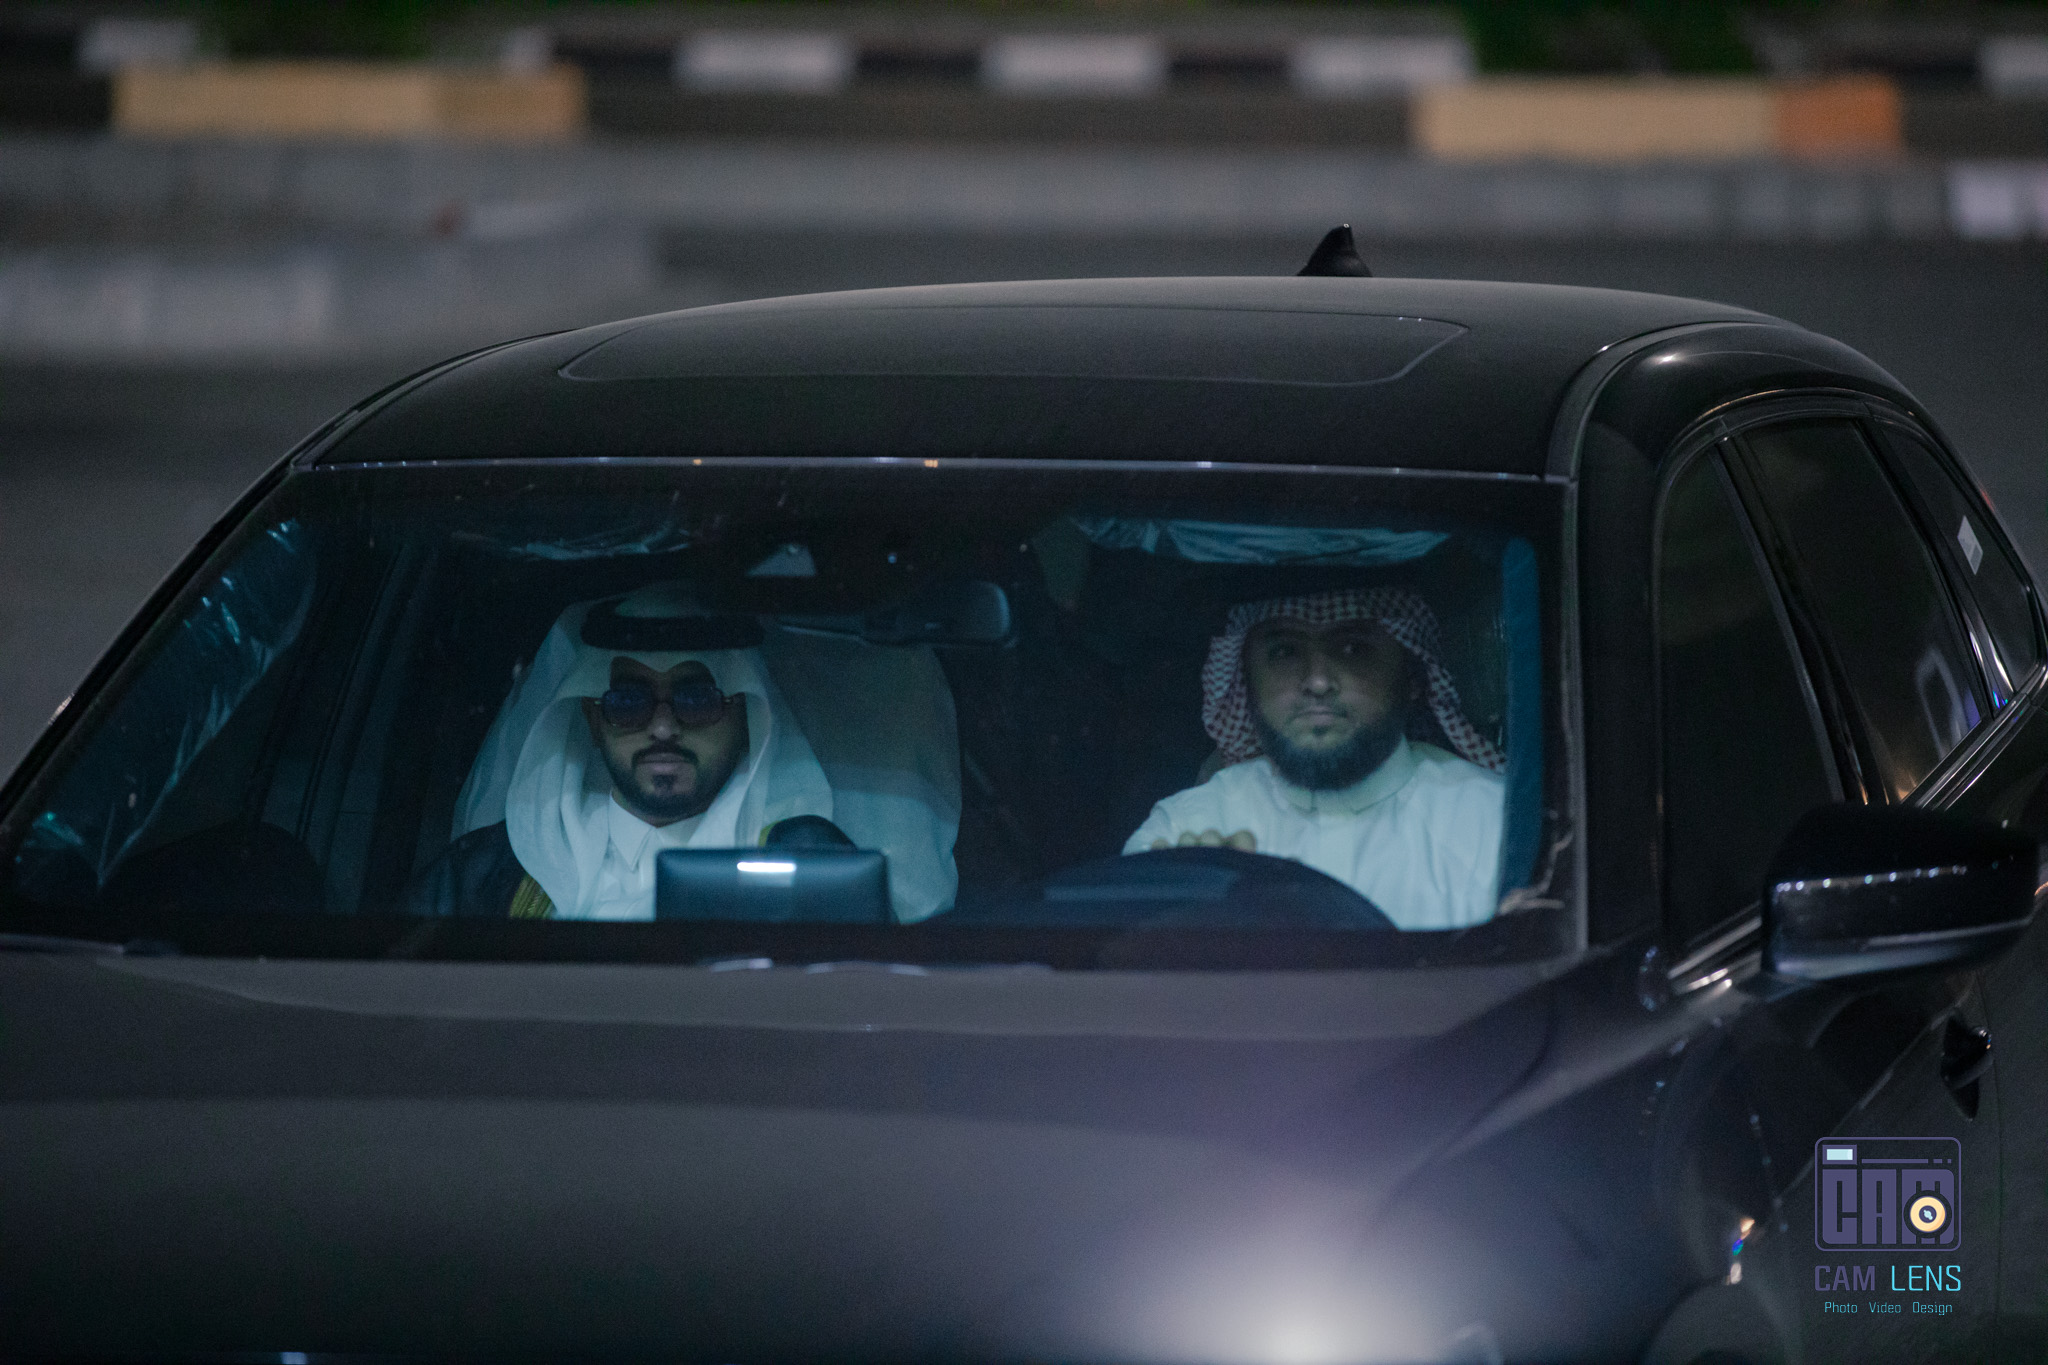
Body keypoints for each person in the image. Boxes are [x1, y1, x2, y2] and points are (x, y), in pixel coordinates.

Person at [403, 584, 838, 919]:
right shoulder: (485, 875)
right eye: (629, 702)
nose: (663, 728)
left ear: (746, 720)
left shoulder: (811, 866)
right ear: (594, 720)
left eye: (696, 700)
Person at [1123, 587, 1506, 930]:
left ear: (1412, 680)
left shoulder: (1495, 824)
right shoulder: (1182, 834)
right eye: (1285, 652)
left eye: (1353, 649)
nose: (1318, 682)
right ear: (1247, 683)